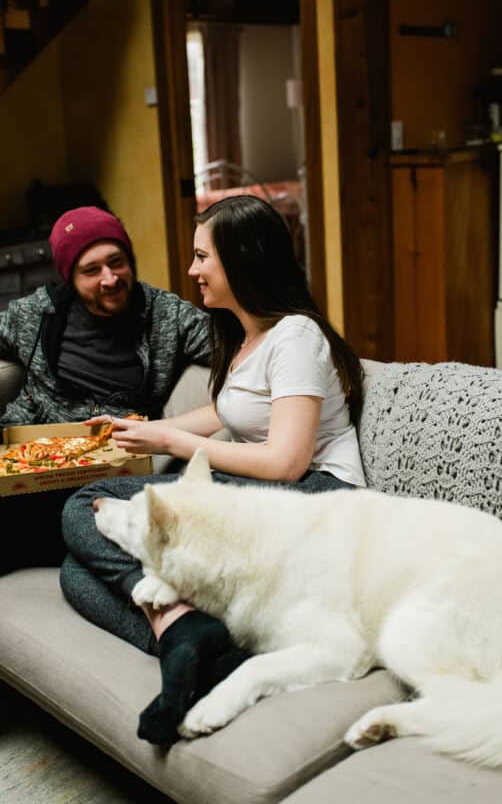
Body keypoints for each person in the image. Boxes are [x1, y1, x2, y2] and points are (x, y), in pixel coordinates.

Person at [60, 194, 366, 745]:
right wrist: (148, 428)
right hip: (268, 497)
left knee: (84, 505)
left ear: (242, 259)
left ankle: (189, 633)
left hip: (318, 499)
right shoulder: (242, 333)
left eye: (203, 257)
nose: (192, 269)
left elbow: (286, 460)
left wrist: (172, 439)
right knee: (74, 574)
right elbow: (232, 412)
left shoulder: (297, 335)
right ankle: (194, 639)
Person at [0, 206, 210, 698]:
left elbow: (233, 348)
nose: (110, 279)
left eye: (117, 261)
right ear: (68, 275)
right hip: (19, 458)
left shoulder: (165, 315)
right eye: (91, 269)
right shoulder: (37, 313)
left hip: (97, 471)